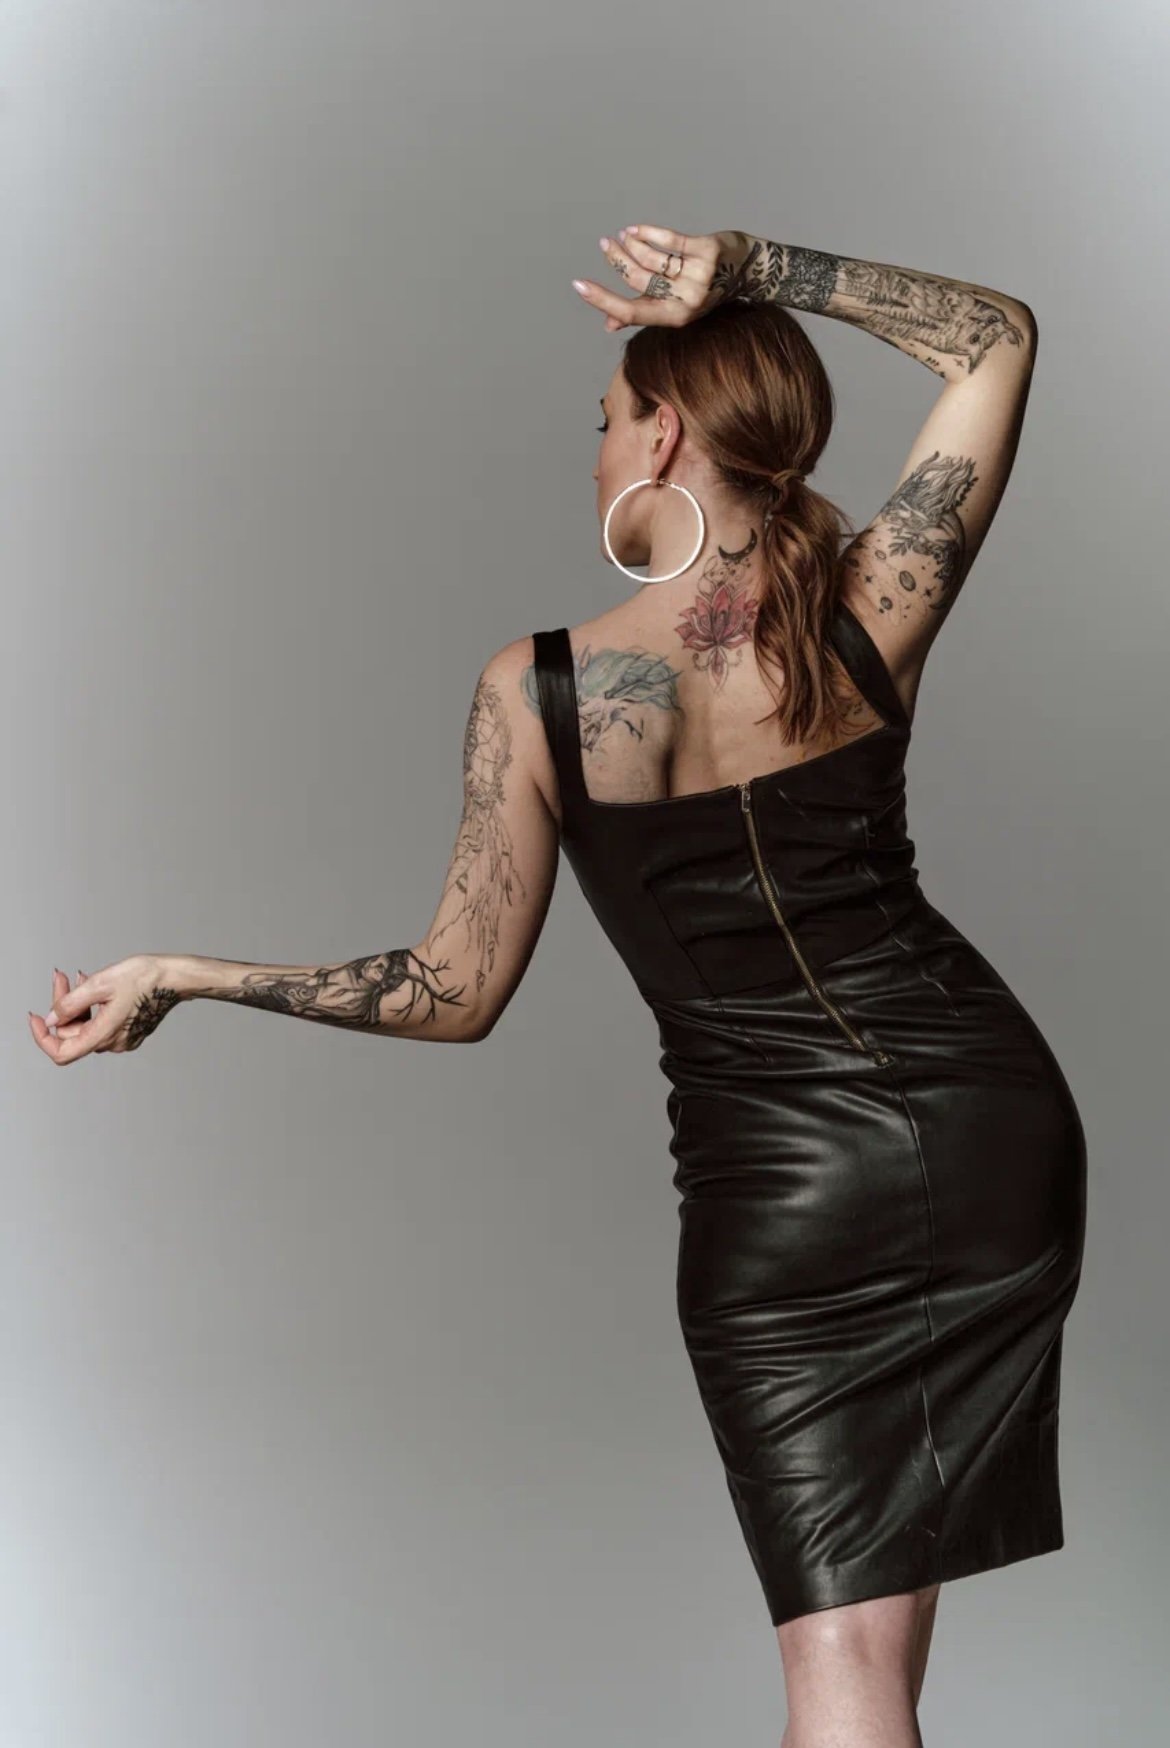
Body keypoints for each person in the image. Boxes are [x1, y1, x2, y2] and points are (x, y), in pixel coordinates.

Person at [30, 222, 1087, 1747]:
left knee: (840, 1679)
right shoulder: (872, 608)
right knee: (875, 1667)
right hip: (985, 1125)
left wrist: (186, 976)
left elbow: (450, 989)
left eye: (602, 423)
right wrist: (751, 266)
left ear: (660, 435)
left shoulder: (539, 695)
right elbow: (993, 337)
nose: (593, 457)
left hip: (784, 1185)